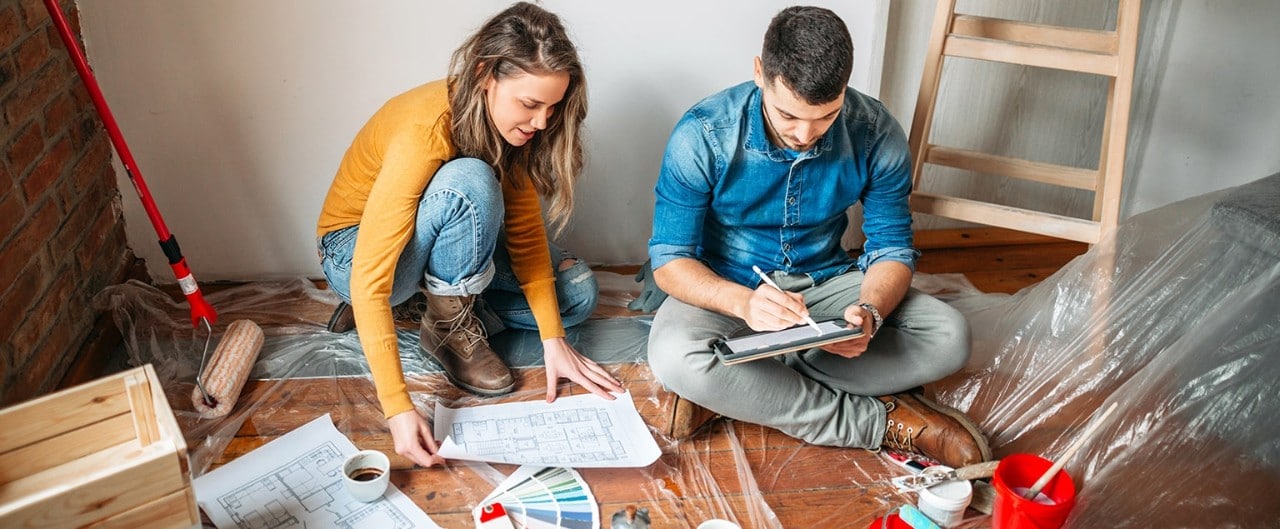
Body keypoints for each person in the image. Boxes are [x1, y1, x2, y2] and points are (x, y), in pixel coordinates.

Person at [645, 6, 990, 468]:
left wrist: (869, 311)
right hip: (728, 286)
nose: (805, 134)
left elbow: (891, 248)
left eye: (826, 116)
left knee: (950, 336)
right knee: (673, 357)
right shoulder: (703, 134)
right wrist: (744, 304)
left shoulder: (875, 130)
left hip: (827, 281)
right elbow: (670, 260)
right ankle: (876, 422)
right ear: (759, 74)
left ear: (845, 88)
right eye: (788, 114)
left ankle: (747, 387)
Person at [316, 2, 624, 468]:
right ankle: (442, 324)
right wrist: (398, 407)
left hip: (443, 237)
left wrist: (553, 342)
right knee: (471, 182)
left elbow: (522, 233)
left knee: (577, 294)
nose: (542, 122)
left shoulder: (516, 129)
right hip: (357, 253)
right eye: (530, 104)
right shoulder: (426, 129)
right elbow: (370, 278)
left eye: (552, 108)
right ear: (485, 74)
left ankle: (438, 299)